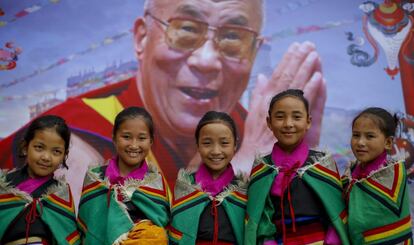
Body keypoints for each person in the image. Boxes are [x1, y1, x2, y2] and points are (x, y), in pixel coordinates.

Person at [0, 0, 327, 203]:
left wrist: (296, 167)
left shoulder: (252, 128)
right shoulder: (75, 138)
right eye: (186, 29)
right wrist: (245, 167)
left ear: (255, 53)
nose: (207, 60)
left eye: (232, 37)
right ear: (142, 38)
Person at [242, 89, 353, 245]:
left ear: (308, 121)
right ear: (269, 122)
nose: (288, 124)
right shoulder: (262, 170)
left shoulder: (322, 164)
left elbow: (338, 218)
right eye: (280, 117)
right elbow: (259, 227)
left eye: (296, 116)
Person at [78, 107, 169, 245]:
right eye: (126, 137)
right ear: (113, 138)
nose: (134, 145)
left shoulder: (156, 182)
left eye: (142, 138)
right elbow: (87, 232)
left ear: (151, 141)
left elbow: (164, 232)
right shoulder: (96, 179)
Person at [0, 115, 85, 245]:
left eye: (56, 151)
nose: (46, 157)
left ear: (64, 156)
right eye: (39, 147)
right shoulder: (4, 187)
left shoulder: (60, 194)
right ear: (25, 147)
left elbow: (68, 244)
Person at [168, 111, 247, 245]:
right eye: (207, 143)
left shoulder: (244, 192)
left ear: (235, 145)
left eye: (224, 143)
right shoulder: (184, 189)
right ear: (197, 145)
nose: (216, 151)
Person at [343, 107, 412, 245]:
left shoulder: (393, 176)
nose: (360, 142)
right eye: (356, 135)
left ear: (388, 143)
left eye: (370, 136)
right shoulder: (350, 174)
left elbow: (364, 220)